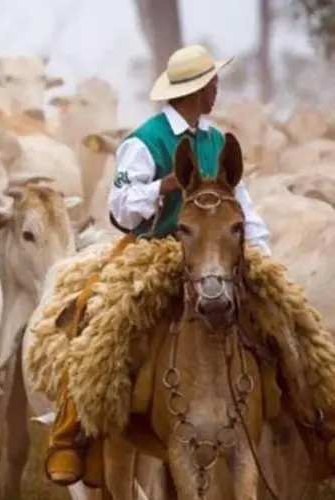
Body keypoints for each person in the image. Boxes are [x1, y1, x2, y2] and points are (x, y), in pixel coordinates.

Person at [44, 44, 272, 487]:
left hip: (215, 252)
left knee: (283, 319)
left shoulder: (217, 140)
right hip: (154, 251)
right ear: (197, 90)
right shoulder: (144, 141)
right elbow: (121, 208)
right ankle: (73, 431)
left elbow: (241, 205)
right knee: (95, 321)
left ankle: (316, 419)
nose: (217, 89)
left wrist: (262, 255)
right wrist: (164, 186)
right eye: (212, 82)